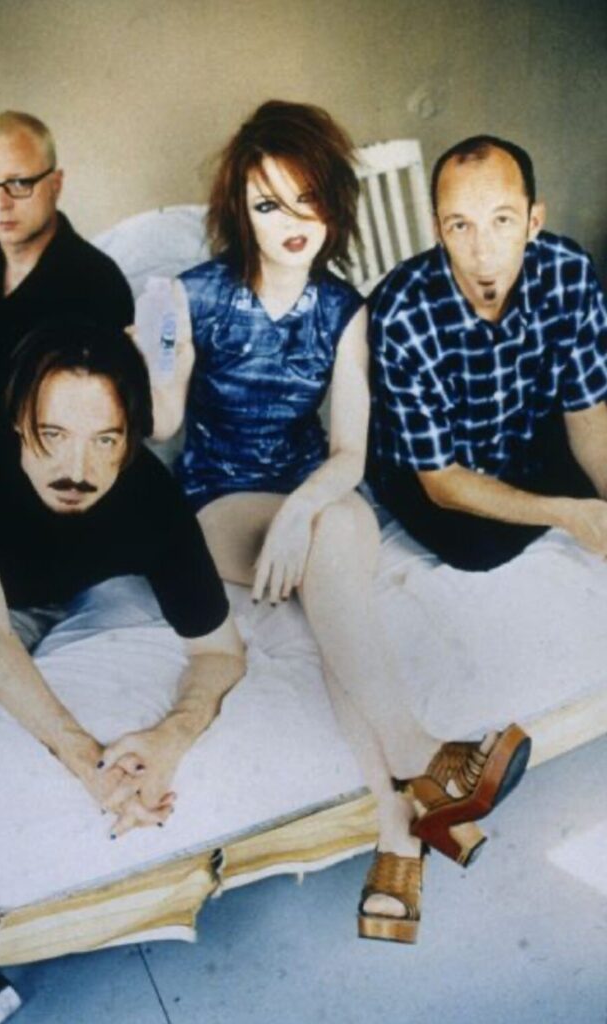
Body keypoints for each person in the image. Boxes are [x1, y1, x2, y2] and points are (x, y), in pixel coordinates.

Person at [145, 101, 529, 943]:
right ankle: (421, 755)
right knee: (338, 563)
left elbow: (349, 453)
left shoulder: (343, 308)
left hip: (309, 493)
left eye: (307, 198)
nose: (291, 222)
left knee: (336, 574)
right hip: (215, 505)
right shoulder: (195, 295)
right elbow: (164, 428)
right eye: (266, 203)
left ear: (335, 202)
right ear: (238, 211)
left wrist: (301, 514)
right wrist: (160, 359)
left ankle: (402, 826)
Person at [0, 320, 246, 891]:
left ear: (133, 436)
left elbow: (221, 650)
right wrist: (89, 761)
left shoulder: (149, 497)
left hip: (6, 592)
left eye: (105, 440)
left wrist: (172, 737)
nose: (77, 469)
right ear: (18, 421)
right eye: (53, 434)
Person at [368, 134, 607, 571]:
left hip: (524, 436)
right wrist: (567, 513)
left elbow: (588, 416)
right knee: (478, 549)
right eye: (461, 225)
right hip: (438, 468)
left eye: (502, 220)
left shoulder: (568, 271)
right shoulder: (401, 312)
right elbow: (440, 481)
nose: (483, 251)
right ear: (437, 228)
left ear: (534, 220)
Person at [0, 110, 133, 423]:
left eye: (19, 183)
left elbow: (98, 419)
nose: (1, 203)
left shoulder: (98, 281)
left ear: (56, 184)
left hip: (43, 452)